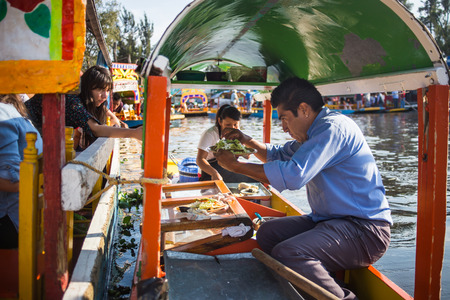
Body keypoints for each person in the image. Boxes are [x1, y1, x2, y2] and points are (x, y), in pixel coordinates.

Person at [214, 77, 392, 299]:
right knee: (268, 233)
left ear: (304, 109)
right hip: (329, 221)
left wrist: (234, 165)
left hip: (364, 230)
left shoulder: (332, 129)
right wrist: (247, 140)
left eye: (285, 119)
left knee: (288, 252)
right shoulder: (314, 133)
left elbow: (294, 174)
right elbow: (278, 153)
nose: (284, 127)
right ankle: (319, 287)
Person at [26, 66, 141, 150]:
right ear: (88, 88)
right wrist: (133, 133)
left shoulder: (89, 101)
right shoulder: (73, 101)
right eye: (100, 89)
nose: (105, 96)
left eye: (107, 90)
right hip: (27, 124)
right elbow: (95, 129)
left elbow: (105, 114)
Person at [0, 94, 43, 249]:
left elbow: (13, 182)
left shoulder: (3, 113)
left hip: (11, 219)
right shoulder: (15, 113)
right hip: (27, 215)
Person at [197, 104, 256, 183]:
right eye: (228, 125)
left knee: (254, 178)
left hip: (229, 167)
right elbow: (200, 160)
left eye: (235, 125)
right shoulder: (210, 133)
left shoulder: (238, 134)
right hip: (210, 171)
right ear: (219, 121)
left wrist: (241, 151)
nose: (232, 128)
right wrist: (214, 173)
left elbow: (247, 156)